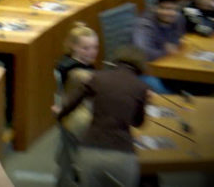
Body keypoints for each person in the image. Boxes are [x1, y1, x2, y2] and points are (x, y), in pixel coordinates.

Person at [53, 46, 148, 187]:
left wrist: (59, 115)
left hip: (91, 151)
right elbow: (138, 122)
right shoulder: (141, 87)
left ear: (116, 62)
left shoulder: (97, 78)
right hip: (122, 155)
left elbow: (71, 104)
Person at [55, 22, 98, 88]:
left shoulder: (65, 60)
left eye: (95, 47)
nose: (93, 52)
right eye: (85, 48)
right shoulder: (76, 72)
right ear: (73, 46)